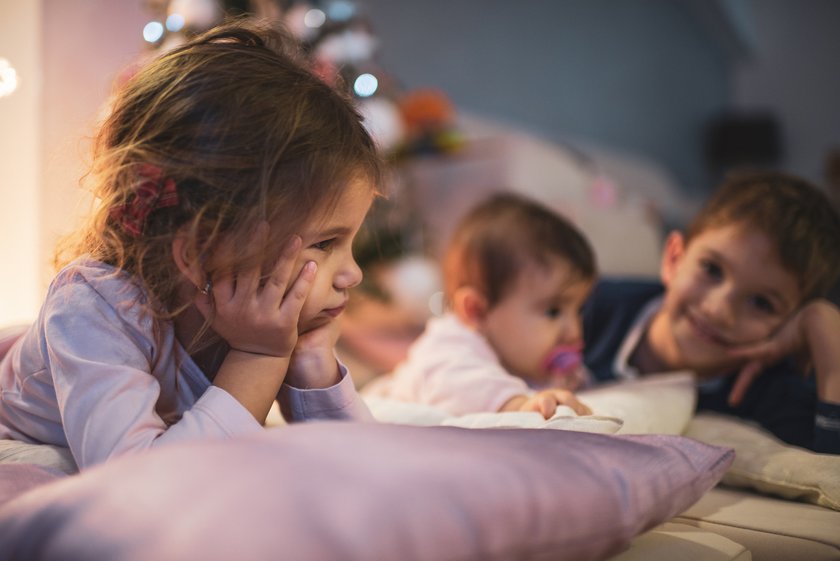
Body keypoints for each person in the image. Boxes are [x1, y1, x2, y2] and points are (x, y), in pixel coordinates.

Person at [0, 21, 382, 470]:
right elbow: (142, 480)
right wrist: (258, 357)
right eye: (324, 243)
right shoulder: (92, 306)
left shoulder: (259, 308)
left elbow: (360, 466)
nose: (353, 273)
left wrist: (312, 365)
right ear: (200, 251)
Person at [583, 170, 840, 453]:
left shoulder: (769, 391)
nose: (718, 311)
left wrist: (829, 344)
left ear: (789, 325)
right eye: (712, 269)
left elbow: (831, 468)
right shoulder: (585, 308)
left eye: (761, 303)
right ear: (674, 259)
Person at [365, 193, 595, 419]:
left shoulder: (518, 356)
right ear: (477, 311)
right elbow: (462, 387)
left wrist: (562, 383)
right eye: (553, 312)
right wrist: (522, 405)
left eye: (579, 310)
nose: (574, 332)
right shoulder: (447, 351)